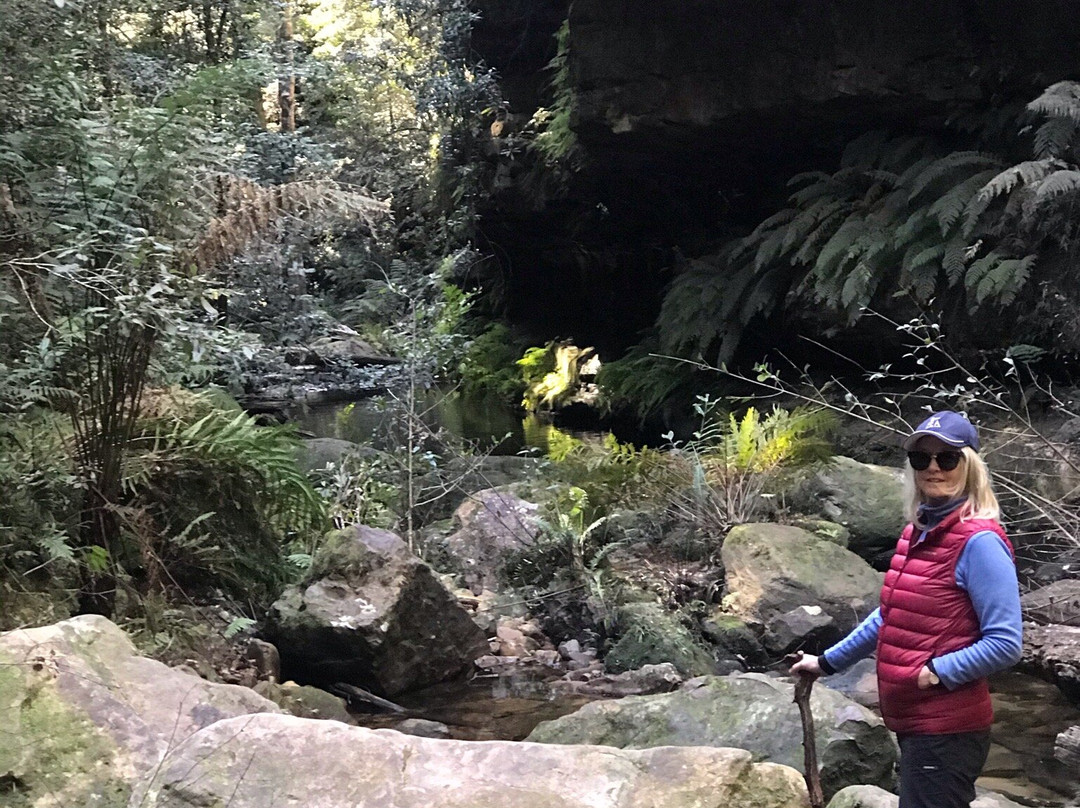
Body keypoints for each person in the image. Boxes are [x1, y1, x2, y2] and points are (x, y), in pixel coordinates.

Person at [790, 410, 1023, 808]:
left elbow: (1005, 642)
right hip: (917, 726)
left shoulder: (979, 542)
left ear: (970, 467)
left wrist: (936, 673)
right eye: (921, 459)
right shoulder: (920, 531)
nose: (933, 468)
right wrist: (827, 663)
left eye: (947, 458)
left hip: (946, 731)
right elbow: (890, 616)